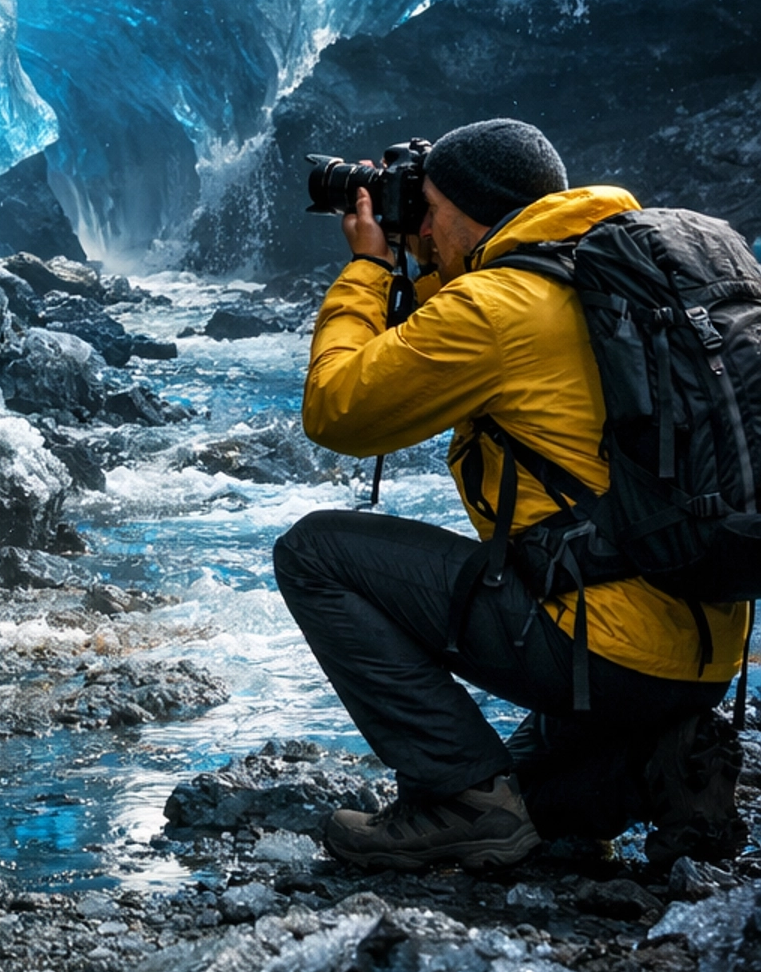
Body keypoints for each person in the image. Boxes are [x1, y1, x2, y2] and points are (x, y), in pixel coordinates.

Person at [275, 118, 747, 872]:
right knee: (538, 813)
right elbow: (477, 321)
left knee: (314, 552)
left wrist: (369, 269)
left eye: (424, 210)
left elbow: (339, 410)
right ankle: (658, 756)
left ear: (470, 210)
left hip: (604, 645)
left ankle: (458, 802)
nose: (419, 228)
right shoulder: (608, 278)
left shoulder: (493, 309)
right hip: (697, 647)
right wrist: (423, 256)